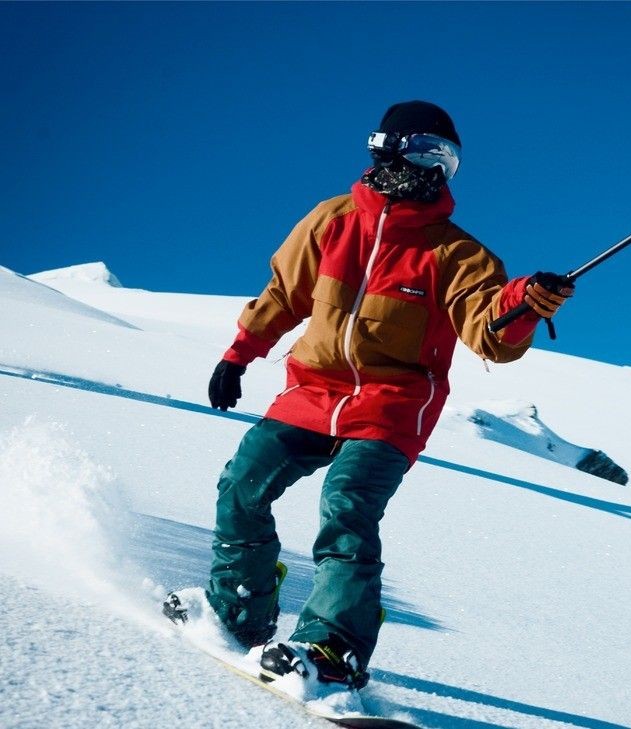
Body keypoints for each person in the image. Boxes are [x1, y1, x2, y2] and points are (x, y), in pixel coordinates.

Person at [164, 101, 572, 690]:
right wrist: (238, 355)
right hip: (311, 391)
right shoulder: (331, 222)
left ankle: (334, 648)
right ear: (386, 146)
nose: (436, 169)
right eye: (428, 152)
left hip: (394, 405)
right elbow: (284, 293)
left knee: (347, 504)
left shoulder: (458, 254)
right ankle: (241, 610)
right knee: (241, 485)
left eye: (449, 161)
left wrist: (521, 306)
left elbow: (489, 335)